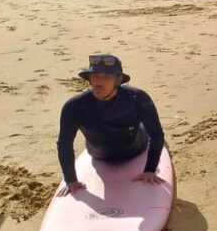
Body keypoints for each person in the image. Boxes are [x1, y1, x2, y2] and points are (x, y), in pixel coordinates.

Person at [55, 54, 166, 197]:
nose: (98, 80)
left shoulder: (137, 98)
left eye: (106, 76)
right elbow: (64, 143)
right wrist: (70, 180)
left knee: (145, 129)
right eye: (95, 75)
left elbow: (156, 135)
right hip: (98, 154)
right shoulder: (74, 106)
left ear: (118, 79)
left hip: (135, 147)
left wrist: (150, 170)